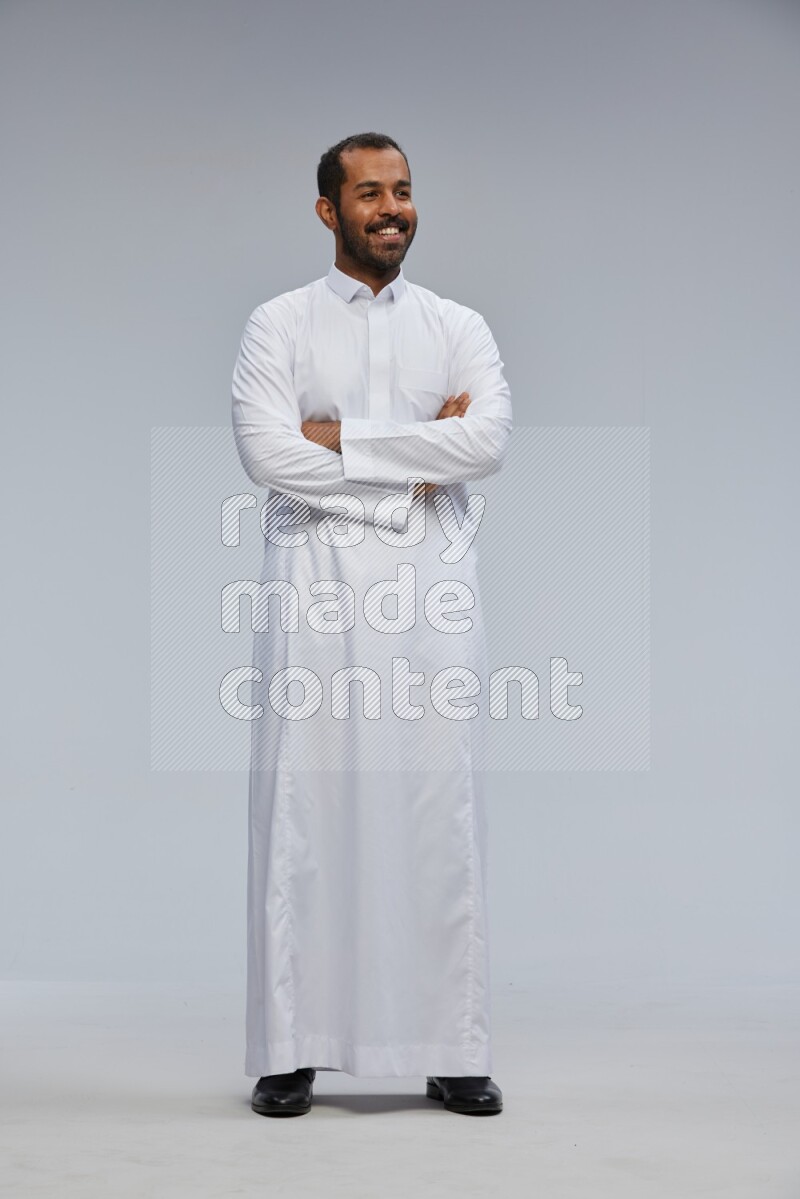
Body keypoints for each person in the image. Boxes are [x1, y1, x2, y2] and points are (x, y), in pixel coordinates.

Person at [231, 132, 512, 1117]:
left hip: (433, 599)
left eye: (400, 190)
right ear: (327, 210)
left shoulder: (457, 325)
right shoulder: (279, 325)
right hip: (313, 593)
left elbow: (483, 440)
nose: (390, 207)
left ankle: (451, 1046)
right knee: (306, 808)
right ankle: (289, 1046)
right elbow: (268, 456)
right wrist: (406, 471)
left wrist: (339, 436)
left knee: (437, 805)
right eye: (366, 193)